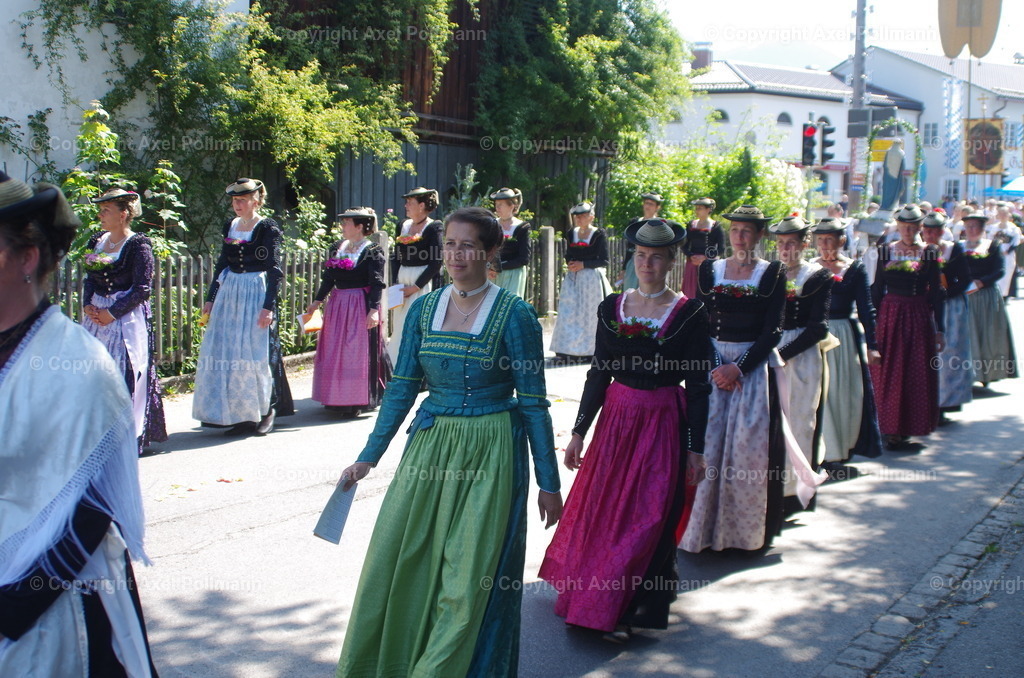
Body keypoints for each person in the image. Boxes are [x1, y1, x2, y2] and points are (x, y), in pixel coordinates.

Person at [335, 207, 563, 678]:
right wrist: (367, 458)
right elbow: (401, 388)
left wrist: (548, 481)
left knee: (466, 580)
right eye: (450, 244)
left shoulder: (516, 315)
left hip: (491, 449)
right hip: (431, 447)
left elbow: (535, 402)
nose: (456, 254)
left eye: (467, 245)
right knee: (399, 563)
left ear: (490, 250)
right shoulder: (422, 308)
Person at [0, 171, 158, 676]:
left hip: (45, 609)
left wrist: (14, 608)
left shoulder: (77, 367)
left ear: (26, 258)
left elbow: (93, 507)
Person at [539, 218, 711, 643]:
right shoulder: (612, 306)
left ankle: (628, 603)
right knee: (605, 508)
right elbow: (599, 371)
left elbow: (700, 384)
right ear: (632, 258)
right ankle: (595, 597)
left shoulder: (690, 313)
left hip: (662, 421)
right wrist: (579, 431)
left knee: (648, 513)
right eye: (640, 256)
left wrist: (696, 448)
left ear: (671, 261)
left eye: (656, 257)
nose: (648, 264)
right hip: (616, 421)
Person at [681, 205, 823, 553]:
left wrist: (739, 367)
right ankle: (697, 532)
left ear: (760, 236)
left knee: (747, 452)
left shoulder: (772, 273)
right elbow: (699, 320)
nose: (740, 237)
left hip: (753, 369)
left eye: (748, 231)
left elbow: (773, 330)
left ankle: (738, 535)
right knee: (706, 448)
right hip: (712, 369)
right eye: (735, 230)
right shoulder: (711, 271)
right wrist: (717, 365)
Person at [193, 178, 294, 436]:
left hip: (256, 292)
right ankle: (241, 415)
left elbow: (275, 269)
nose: (237, 204)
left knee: (256, 354)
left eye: (242, 199)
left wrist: (268, 307)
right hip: (230, 293)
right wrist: (210, 298)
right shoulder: (231, 225)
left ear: (256, 200)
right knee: (231, 353)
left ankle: (267, 409)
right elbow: (221, 264)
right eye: (234, 200)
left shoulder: (267, 228)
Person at [82, 187, 167, 451]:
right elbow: (89, 278)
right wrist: (87, 305)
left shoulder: (138, 245)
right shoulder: (97, 240)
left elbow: (142, 288)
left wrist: (112, 312)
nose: (100, 215)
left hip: (125, 318)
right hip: (97, 318)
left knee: (125, 372)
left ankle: (125, 436)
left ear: (123, 214)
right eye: (101, 210)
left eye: (106, 210)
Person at [769, 216, 835, 508]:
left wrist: (784, 354)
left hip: (802, 357)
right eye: (781, 243)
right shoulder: (770, 274)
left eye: (791, 243)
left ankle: (795, 492)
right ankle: (770, 488)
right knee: (771, 423)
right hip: (771, 352)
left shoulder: (817, 276)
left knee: (800, 421)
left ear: (804, 244)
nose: (785, 249)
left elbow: (818, 327)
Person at [869, 204, 945, 450]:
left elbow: (936, 292)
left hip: (918, 316)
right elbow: (877, 289)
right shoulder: (885, 251)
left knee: (915, 371)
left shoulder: (929, 252)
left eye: (913, 227)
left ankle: (911, 425)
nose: (908, 231)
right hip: (890, 316)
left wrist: (939, 329)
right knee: (889, 371)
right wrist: (873, 325)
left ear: (920, 228)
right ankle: (889, 426)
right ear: (898, 227)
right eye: (904, 226)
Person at [811, 217, 883, 464]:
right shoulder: (809, 268)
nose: (824, 244)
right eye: (820, 239)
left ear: (842, 241)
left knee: (841, 393)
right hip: (814, 335)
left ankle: (838, 449)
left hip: (843, 336)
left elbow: (866, 309)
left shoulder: (854, 269)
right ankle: (816, 450)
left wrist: (872, 346)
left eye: (829, 239)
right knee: (817, 393)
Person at [307, 207, 391, 416]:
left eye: (346, 223)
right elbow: (329, 278)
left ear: (360, 226)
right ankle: (335, 397)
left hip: (359, 304)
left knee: (355, 352)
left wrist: (373, 310)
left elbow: (377, 283)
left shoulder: (372, 251)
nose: (342, 226)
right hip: (338, 304)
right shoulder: (337, 247)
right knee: (335, 350)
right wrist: (317, 301)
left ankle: (355, 400)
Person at [920, 211, 974, 420]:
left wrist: (944, 293)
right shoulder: (918, 251)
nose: (931, 235)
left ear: (942, 232)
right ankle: (925, 402)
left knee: (948, 355)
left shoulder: (953, 250)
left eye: (935, 231)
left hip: (950, 307)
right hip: (925, 306)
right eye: (927, 231)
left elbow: (965, 279)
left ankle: (945, 401)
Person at [549, 201, 611, 361]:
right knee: (568, 311)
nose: (579, 219)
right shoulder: (571, 233)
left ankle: (590, 351)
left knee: (589, 315)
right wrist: (570, 262)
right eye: (577, 216)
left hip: (591, 280)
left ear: (591, 216)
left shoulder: (598, 234)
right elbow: (568, 253)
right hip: (573, 277)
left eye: (583, 216)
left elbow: (604, 260)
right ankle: (567, 350)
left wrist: (584, 264)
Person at [961, 210, 1016, 386]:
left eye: (974, 226)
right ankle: (967, 374)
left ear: (982, 228)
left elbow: (999, 270)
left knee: (987, 333)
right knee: (966, 335)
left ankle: (987, 373)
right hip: (964, 295)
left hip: (986, 297)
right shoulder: (959, 247)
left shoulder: (992, 246)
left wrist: (982, 282)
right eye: (968, 226)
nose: (971, 229)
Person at [388, 187, 444, 364]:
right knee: (400, 324)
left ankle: (421, 371)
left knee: (419, 325)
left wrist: (416, 286)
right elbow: (396, 256)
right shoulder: (402, 226)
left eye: (409, 202)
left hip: (423, 282)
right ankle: (399, 365)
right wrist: (396, 282)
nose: (405, 206)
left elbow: (436, 261)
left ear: (421, 206)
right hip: (403, 281)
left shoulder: (434, 227)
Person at [489, 188, 531, 298]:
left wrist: (500, 267)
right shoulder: (491, 225)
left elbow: (524, 258)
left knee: (510, 308)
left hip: (514, 274)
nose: (497, 208)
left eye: (501, 205)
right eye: (496, 204)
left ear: (511, 206)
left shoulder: (522, 227)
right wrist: (488, 268)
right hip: (492, 275)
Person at [616, 192, 662, 292]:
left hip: (652, 263)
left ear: (657, 207)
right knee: (630, 292)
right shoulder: (634, 222)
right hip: (634, 262)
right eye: (646, 203)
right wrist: (624, 269)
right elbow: (629, 248)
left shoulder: (661, 224)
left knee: (649, 292)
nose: (647, 206)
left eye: (651, 204)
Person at [681, 197, 725, 299]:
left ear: (708, 209)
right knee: (690, 293)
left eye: (700, 208)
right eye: (696, 208)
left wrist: (705, 258)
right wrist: (691, 256)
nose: (697, 211)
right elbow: (684, 245)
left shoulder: (716, 226)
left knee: (706, 291)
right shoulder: (691, 225)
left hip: (709, 264)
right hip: (692, 263)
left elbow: (721, 248)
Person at [990, 205, 1021, 299]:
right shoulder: (994, 227)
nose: (1003, 216)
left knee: (1006, 275)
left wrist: (1008, 251)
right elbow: (990, 240)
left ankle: (1005, 295)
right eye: (1001, 214)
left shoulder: (1013, 228)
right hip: (996, 254)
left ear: (1008, 215)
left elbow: (1016, 241)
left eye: (1005, 214)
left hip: (1008, 255)